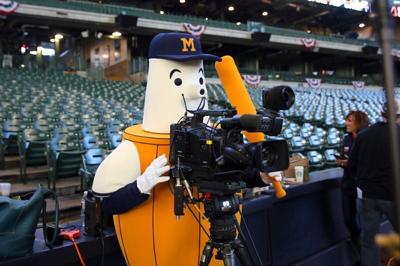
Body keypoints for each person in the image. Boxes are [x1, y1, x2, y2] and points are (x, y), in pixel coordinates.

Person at [347, 100, 400, 266]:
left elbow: (351, 165)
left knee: (369, 242)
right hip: (393, 195)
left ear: (381, 113)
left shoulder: (363, 135)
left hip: (368, 195)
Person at [336, 111, 369, 245]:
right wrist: (342, 162)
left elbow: (369, 163)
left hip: (364, 186)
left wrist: (351, 162)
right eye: (347, 120)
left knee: (368, 222)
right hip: (348, 185)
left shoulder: (368, 138)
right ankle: (359, 245)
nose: (346, 123)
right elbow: (348, 161)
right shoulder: (346, 138)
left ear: (359, 123)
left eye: (350, 120)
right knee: (348, 220)